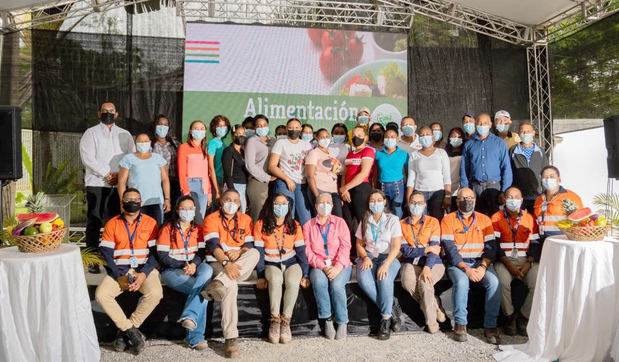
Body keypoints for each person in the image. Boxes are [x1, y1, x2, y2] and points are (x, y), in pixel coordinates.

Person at [95, 188, 162, 354]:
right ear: (122, 203)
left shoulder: (151, 222)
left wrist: (144, 273)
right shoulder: (112, 223)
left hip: (143, 269)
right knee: (101, 294)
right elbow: (106, 255)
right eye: (128, 199)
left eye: (136, 199)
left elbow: (155, 254)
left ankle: (124, 333)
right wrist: (119, 277)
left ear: (141, 203)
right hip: (120, 270)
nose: (132, 202)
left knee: (155, 293)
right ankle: (132, 333)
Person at [201, 189, 259, 358]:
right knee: (231, 284)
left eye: (235, 200)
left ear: (240, 204)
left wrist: (239, 253)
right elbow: (212, 246)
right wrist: (226, 263)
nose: (231, 203)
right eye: (228, 199)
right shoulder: (211, 219)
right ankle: (231, 338)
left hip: (240, 263)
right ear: (221, 201)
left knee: (254, 254)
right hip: (218, 262)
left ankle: (218, 283)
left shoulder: (246, 219)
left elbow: (249, 246)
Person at [441, 187, 501, 344]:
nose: (466, 201)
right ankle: (460, 324)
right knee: (461, 282)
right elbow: (450, 249)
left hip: (480, 263)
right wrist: (466, 270)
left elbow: (490, 248)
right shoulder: (448, 219)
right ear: (456, 201)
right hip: (458, 264)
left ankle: (491, 326)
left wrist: (482, 267)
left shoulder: (485, 220)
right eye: (462, 198)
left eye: (470, 198)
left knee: (494, 282)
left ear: (475, 201)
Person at [80, 102, 135, 273]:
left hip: (118, 183)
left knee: (116, 220)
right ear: (99, 113)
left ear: (116, 114)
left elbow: (131, 156)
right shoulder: (91, 133)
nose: (108, 113)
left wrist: (119, 175)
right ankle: (93, 259)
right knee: (94, 220)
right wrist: (107, 174)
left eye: (111, 111)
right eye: (105, 111)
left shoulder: (125, 134)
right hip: (96, 183)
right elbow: (87, 157)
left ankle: (114, 257)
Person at [156, 195, 212, 350]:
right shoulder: (167, 229)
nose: (187, 211)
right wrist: (183, 265)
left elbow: (201, 252)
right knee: (204, 292)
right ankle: (195, 338)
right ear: (177, 210)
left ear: (194, 210)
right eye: (183, 208)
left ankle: (189, 315)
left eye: (190, 208)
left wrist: (194, 265)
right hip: (172, 271)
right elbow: (162, 256)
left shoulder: (198, 229)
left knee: (208, 269)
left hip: (193, 268)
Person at [254, 193, 310, 344]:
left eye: (284, 204)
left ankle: (286, 321)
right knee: (276, 279)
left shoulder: (295, 225)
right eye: (277, 204)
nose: (281, 207)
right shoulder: (261, 224)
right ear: (271, 206)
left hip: (291, 263)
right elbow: (259, 252)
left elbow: (301, 252)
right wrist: (260, 275)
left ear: (289, 207)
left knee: (293, 281)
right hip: (271, 264)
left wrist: (305, 274)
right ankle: (275, 320)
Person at [491, 187, 539, 336]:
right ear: (504, 200)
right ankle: (509, 317)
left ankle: (524, 317)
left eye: (516, 197)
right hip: (505, 261)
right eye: (509, 197)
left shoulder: (529, 218)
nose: (513, 200)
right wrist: (509, 265)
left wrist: (529, 262)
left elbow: (535, 244)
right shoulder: (496, 217)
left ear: (522, 200)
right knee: (502, 282)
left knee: (538, 280)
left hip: (526, 260)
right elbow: (495, 246)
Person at [303, 193, 352, 340]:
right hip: (318, 265)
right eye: (321, 202)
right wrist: (323, 266)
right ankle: (327, 319)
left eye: (328, 202)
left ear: (332, 205)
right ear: (316, 206)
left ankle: (342, 321)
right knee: (319, 281)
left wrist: (337, 267)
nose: (325, 205)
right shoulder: (308, 225)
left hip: (341, 264)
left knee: (337, 285)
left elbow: (346, 247)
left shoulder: (340, 223)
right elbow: (307, 251)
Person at [355, 190, 403, 340]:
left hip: (388, 256)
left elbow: (396, 247)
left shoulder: (392, 220)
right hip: (369, 256)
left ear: (384, 202)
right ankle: (391, 306)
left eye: (378, 200)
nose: (375, 203)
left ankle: (386, 320)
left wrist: (386, 264)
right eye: (372, 200)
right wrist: (365, 257)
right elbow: (359, 244)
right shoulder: (365, 220)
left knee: (384, 278)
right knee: (363, 279)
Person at [400, 191, 445, 334]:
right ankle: (435, 304)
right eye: (413, 202)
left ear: (425, 205)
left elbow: (435, 249)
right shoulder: (401, 224)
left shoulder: (433, 222)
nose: (416, 205)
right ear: (408, 204)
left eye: (419, 203)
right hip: (411, 263)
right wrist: (426, 249)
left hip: (434, 263)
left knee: (425, 283)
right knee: (407, 281)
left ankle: (431, 322)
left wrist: (427, 267)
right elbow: (406, 251)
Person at [460, 113, 512, 216]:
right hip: (475, 188)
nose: (482, 125)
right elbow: (464, 169)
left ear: (490, 124)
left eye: (485, 123)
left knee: (496, 219)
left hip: (495, 187)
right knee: (477, 219)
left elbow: (506, 168)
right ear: (475, 125)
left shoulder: (499, 143)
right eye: (480, 123)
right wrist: (465, 190)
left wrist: (504, 191)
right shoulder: (469, 144)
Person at [117, 133, 171, 226]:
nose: (143, 143)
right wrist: (123, 202)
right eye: (140, 141)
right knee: (136, 229)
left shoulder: (157, 158)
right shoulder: (128, 159)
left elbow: (165, 179)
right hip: (135, 202)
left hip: (156, 201)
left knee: (156, 230)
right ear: (135, 143)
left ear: (150, 142)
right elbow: (121, 182)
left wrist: (167, 199)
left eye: (145, 141)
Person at [269, 118, 313, 226]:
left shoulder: (306, 145)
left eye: (297, 127)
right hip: (285, 183)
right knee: (287, 215)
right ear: (286, 129)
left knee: (306, 218)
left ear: (301, 129)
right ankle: (286, 241)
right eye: (291, 128)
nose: (294, 130)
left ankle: (304, 242)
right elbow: (272, 166)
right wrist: (287, 179)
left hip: (302, 185)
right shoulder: (281, 143)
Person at [406, 126, 451, 220]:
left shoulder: (441, 153)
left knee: (437, 220)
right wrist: (408, 199)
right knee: (420, 220)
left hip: (438, 193)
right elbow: (411, 179)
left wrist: (447, 196)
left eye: (427, 134)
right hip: (420, 192)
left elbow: (446, 176)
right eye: (422, 135)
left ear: (433, 137)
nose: (424, 137)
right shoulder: (414, 155)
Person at [533, 166, 583, 239]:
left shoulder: (571, 197)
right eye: (545, 177)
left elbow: (580, 221)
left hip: (563, 240)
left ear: (558, 179)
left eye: (551, 176)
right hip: (544, 240)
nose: (548, 179)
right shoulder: (539, 199)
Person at [509, 122, 549, 213]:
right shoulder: (513, 150)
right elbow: (508, 172)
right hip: (518, 197)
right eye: (523, 131)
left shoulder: (540, 151)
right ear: (519, 134)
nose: (525, 134)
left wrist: (545, 193)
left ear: (533, 133)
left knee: (536, 220)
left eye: (528, 131)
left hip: (536, 195)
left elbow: (545, 172)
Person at [177, 120, 212, 223]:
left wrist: (209, 193)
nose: (199, 131)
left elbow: (207, 173)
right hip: (190, 184)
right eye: (196, 128)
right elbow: (181, 171)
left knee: (201, 216)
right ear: (191, 131)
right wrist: (185, 190)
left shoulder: (205, 148)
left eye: (202, 129)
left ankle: (198, 238)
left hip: (204, 187)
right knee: (194, 218)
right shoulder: (184, 147)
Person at [305, 129, 343, 217]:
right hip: (320, 189)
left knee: (337, 218)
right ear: (317, 138)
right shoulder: (314, 153)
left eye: (327, 137)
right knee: (322, 218)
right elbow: (310, 176)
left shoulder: (331, 153)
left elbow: (333, 173)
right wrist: (317, 196)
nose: (325, 139)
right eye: (322, 137)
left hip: (333, 191)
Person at [341, 126, 375, 225]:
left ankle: (365, 241)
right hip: (347, 191)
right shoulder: (350, 154)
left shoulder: (368, 151)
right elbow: (345, 173)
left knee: (362, 221)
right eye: (354, 136)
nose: (356, 138)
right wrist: (344, 189)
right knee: (348, 222)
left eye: (360, 135)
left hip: (361, 189)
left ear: (366, 138)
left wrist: (346, 187)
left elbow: (364, 173)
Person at [245, 114, 275, 221]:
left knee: (270, 215)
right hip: (258, 182)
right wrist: (267, 177)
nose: (262, 127)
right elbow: (250, 165)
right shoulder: (252, 141)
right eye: (259, 125)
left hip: (273, 183)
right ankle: (255, 237)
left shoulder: (273, 140)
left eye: (264, 125)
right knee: (258, 215)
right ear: (254, 128)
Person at [374, 129, 409, 218]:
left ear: (397, 139)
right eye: (387, 137)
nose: (390, 139)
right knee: (385, 212)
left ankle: (398, 231)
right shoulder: (378, 154)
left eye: (392, 137)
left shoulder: (404, 154)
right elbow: (374, 172)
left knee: (398, 211)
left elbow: (408, 172)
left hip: (398, 186)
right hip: (382, 186)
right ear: (383, 139)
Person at [151, 114, 181, 214]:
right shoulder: (150, 144)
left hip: (174, 182)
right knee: (159, 211)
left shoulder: (175, 144)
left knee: (172, 211)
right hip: (156, 183)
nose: (162, 127)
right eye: (160, 124)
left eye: (165, 125)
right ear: (155, 126)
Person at [222, 125, 249, 213]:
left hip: (243, 186)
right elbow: (227, 172)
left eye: (243, 134)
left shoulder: (243, 151)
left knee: (242, 211)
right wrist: (232, 190)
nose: (241, 136)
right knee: (230, 211)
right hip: (233, 185)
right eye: (238, 134)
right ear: (232, 136)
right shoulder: (229, 150)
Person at [208, 115, 231, 201]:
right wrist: (217, 189)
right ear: (214, 128)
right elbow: (211, 167)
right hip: (216, 181)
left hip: (223, 181)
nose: (222, 128)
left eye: (224, 126)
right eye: (219, 126)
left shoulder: (223, 143)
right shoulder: (213, 143)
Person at [445, 127, 465, 210]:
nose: (456, 139)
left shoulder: (465, 153)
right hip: (447, 190)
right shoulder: (444, 153)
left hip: (459, 190)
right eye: (453, 136)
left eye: (459, 137)